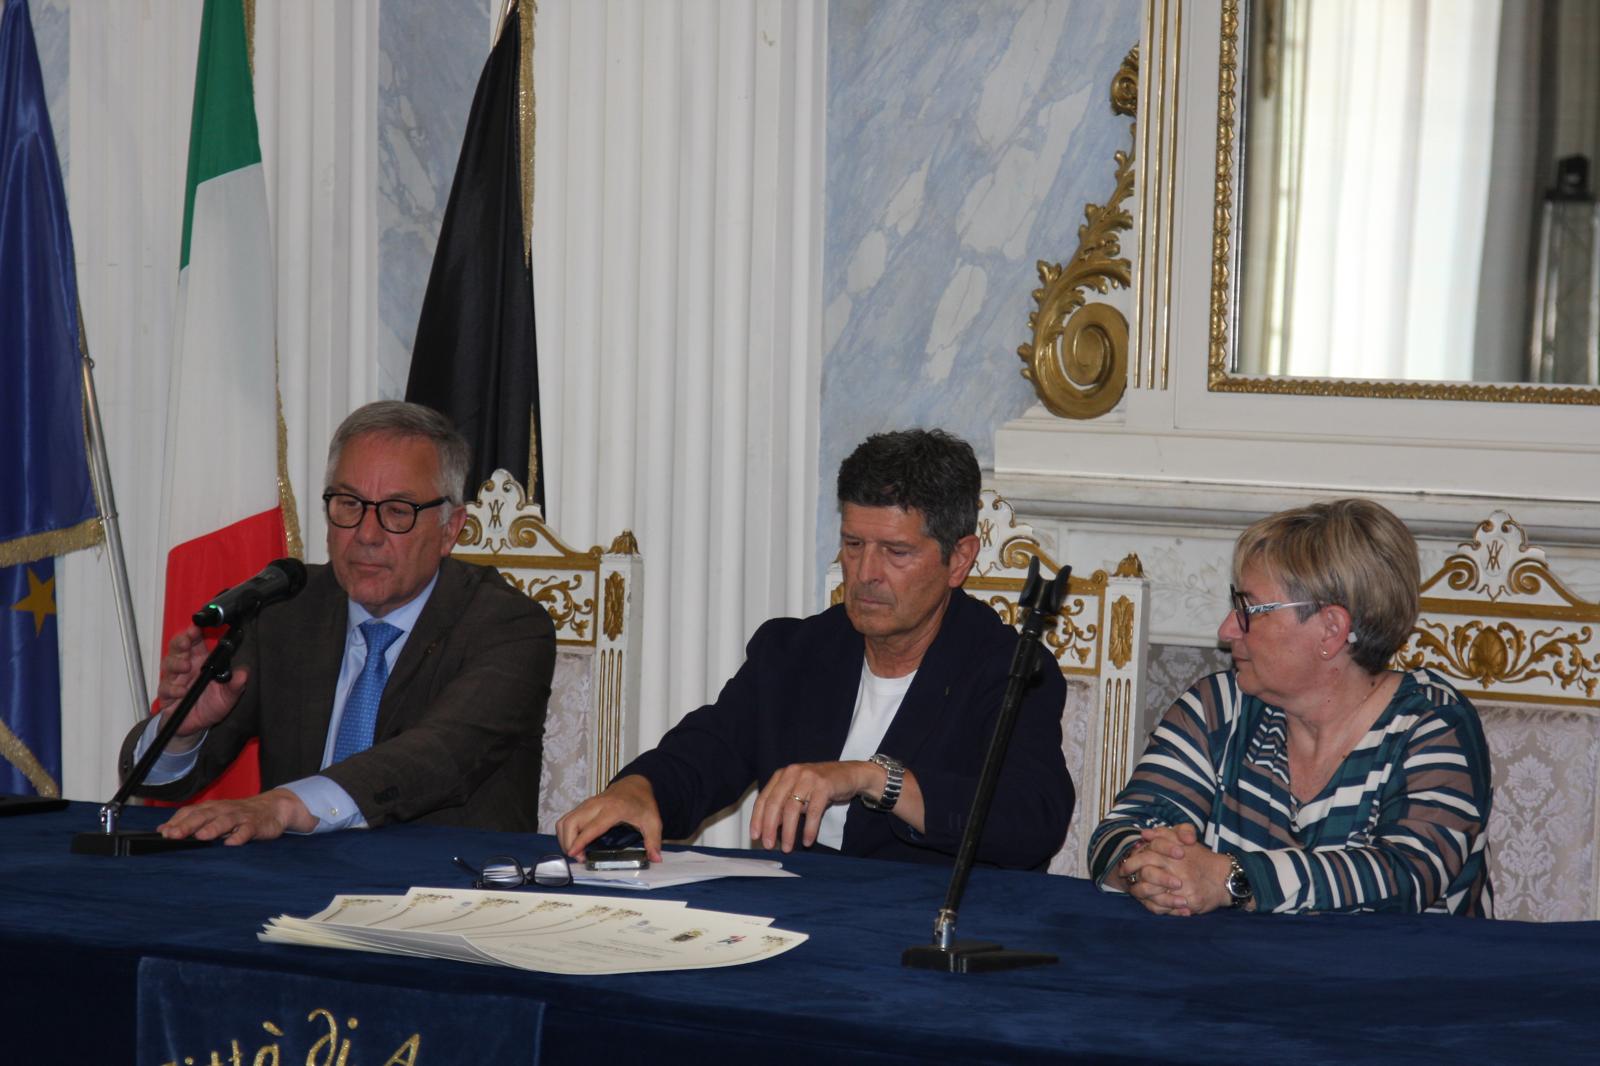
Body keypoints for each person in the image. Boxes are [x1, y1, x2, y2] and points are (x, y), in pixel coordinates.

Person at [557, 429, 1072, 870]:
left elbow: (1031, 820)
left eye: (896, 552)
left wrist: (874, 779)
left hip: (925, 929)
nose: (866, 574)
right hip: (796, 916)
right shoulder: (795, 652)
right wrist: (640, 789)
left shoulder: (1009, 670)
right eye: (853, 545)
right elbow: (710, 750)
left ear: (958, 560)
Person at [118, 401, 555, 843]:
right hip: (292, 877)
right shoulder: (285, 608)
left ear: (450, 529)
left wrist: (285, 804)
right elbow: (160, 780)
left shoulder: (508, 627)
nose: (367, 534)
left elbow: (439, 754)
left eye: (398, 511)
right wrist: (184, 730)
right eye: (349, 504)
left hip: (442, 878)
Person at [1089, 498, 1493, 916]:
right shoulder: (1217, 707)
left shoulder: (1432, 725)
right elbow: (1120, 832)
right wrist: (1150, 870)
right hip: (1233, 958)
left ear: (1331, 630)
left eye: (1249, 609)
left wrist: (1232, 878)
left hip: (1400, 959)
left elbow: (1406, 876)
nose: (1227, 630)